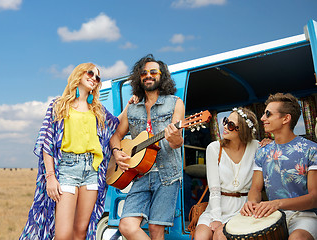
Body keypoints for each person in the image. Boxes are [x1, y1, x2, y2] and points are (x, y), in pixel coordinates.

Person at [20, 63, 119, 240]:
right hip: (66, 169)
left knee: (81, 231)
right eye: (91, 73)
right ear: (79, 74)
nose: (94, 78)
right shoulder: (59, 105)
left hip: (92, 172)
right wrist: (50, 177)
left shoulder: (98, 110)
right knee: (63, 234)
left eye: (98, 77)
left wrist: (130, 104)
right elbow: (46, 143)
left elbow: (116, 128)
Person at [110, 54, 185, 240]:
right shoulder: (132, 107)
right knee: (126, 226)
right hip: (139, 174)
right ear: (138, 77)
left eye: (153, 72)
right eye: (143, 73)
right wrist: (117, 152)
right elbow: (116, 135)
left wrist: (174, 136)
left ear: (162, 75)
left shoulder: (175, 103)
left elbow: (177, 143)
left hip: (167, 175)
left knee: (156, 230)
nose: (148, 75)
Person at [240, 93, 317, 240]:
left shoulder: (311, 150)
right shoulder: (262, 152)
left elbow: (314, 198)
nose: (263, 118)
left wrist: (278, 203)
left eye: (268, 114)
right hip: (272, 216)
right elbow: (255, 189)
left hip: (305, 216)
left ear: (286, 119)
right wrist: (251, 203)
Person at [194, 107, 259, 240]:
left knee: (221, 235)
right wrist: (216, 218)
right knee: (200, 236)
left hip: (243, 208)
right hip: (217, 206)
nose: (224, 126)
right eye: (225, 121)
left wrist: (269, 142)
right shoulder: (214, 148)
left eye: (230, 125)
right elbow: (214, 189)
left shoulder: (256, 147)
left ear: (243, 130)